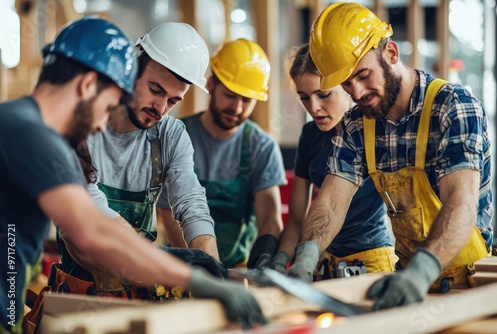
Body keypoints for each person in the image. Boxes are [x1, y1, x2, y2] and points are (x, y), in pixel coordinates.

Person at [0, 17, 264, 334]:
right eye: (108, 104)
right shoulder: (35, 135)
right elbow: (92, 231)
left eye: (173, 100)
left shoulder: (21, 122)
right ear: (86, 86)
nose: (101, 126)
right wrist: (193, 277)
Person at [287, 1, 493, 310]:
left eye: (363, 75)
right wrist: (305, 259)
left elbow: (460, 204)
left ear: (391, 53)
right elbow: (329, 203)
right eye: (346, 83)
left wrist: (421, 273)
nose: (356, 92)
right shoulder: (357, 124)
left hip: (474, 283)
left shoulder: (453, 106)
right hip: (406, 284)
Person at [55, 22, 228, 297]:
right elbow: (89, 208)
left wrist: (213, 271)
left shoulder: (170, 136)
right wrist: (163, 262)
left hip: (140, 289)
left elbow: (191, 203)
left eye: (173, 101)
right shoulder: (81, 124)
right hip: (80, 293)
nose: (160, 109)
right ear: (132, 69)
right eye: (156, 90)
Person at [270, 44, 397, 279]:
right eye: (304, 98)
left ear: (347, 87)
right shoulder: (310, 135)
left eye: (324, 95)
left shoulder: (373, 130)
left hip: (373, 259)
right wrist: (281, 259)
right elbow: (297, 220)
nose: (314, 108)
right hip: (322, 260)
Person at [158, 38, 287, 269]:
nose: (237, 108)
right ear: (210, 84)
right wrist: (197, 267)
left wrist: (265, 256)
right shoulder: (176, 135)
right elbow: (168, 215)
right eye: (230, 94)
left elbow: (270, 218)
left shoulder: (262, 146)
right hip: (182, 268)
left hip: (240, 270)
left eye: (247, 100)